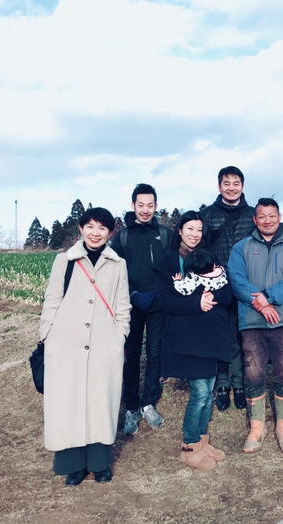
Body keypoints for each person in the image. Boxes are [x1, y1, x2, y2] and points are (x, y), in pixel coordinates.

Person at [39, 207, 131, 485]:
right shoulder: (63, 261)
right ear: (81, 228)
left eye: (102, 228)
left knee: (100, 402)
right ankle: (73, 465)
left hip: (104, 345)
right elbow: (52, 300)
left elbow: (122, 306)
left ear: (110, 233)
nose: (95, 233)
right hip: (65, 344)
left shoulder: (118, 264)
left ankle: (100, 463)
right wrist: (48, 335)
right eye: (90, 226)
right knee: (67, 403)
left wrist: (119, 336)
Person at [228, 198, 283, 453]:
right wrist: (261, 304)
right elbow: (236, 279)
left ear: (279, 216)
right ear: (255, 219)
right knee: (253, 372)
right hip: (252, 320)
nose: (267, 220)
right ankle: (256, 426)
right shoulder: (241, 247)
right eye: (261, 216)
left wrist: (270, 297)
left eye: (271, 215)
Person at [154, 212, 232, 470]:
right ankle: (189, 446)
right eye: (190, 228)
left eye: (199, 229)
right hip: (189, 339)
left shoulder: (210, 257)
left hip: (211, 337)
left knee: (208, 391)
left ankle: (202, 441)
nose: (195, 234)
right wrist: (196, 303)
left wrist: (211, 300)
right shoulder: (168, 261)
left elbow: (227, 292)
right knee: (199, 392)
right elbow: (164, 300)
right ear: (179, 230)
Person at [110, 183, 171, 436]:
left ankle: (148, 403)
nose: (146, 210)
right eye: (141, 205)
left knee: (155, 354)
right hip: (130, 305)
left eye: (150, 205)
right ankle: (131, 407)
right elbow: (115, 271)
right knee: (131, 356)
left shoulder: (166, 234)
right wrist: (134, 295)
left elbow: (170, 267)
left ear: (155, 207)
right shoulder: (122, 237)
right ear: (133, 205)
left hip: (158, 305)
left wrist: (155, 293)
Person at [200, 166, 256, 412]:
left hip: (246, 284)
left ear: (242, 186)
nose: (231, 187)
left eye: (236, 183)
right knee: (222, 336)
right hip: (217, 286)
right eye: (227, 183)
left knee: (245, 336)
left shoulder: (254, 214)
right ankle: (223, 384)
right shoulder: (207, 215)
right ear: (219, 186)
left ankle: (241, 384)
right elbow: (200, 250)